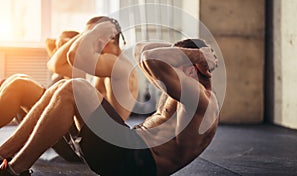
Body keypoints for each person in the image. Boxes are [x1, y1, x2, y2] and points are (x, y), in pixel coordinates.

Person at [0, 20, 218, 176]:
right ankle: (5, 155)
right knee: (65, 88)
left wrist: (195, 56)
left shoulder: (200, 100)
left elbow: (148, 58)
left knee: (74, 88)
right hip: (125, 149)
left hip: (135, 162)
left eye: (176, 65)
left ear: (193, 68)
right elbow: (141, 52)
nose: (171, 70)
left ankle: (13, 170)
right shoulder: (183, 93)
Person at [0, 16, 138, 162]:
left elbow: (72, 56)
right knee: (18, 80)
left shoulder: (118, 65)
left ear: (106, 39)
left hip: (95, 144)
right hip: (82, 136)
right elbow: (55, 64)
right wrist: (87, 33)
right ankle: (6, 152)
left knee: (20, 86)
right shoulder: (106, 62)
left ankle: (4, 153)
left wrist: (87, 33)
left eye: (91, 36)